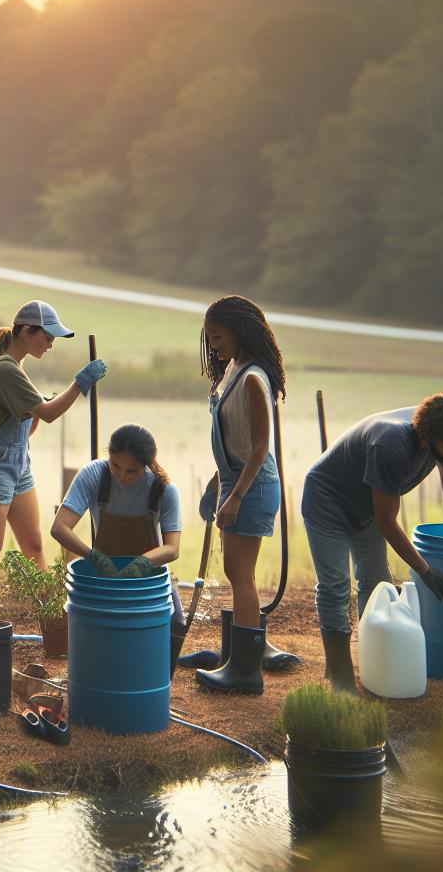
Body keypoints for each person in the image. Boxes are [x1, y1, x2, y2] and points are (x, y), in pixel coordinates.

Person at [303, 392, 443, 693]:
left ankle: (373, 660)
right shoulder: (391, 445)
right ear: (430, 434)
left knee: (377, 583)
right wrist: (425, 571)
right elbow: (387, 522)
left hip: (367, 505)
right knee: (335, 586)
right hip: (327, 500)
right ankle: (339, 674)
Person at [176, 296, 287, 694]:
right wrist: (218, 481)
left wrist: (236, 495)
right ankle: (242, 656)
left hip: (252, 485)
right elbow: (234, 438)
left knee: (241, 576)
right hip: (235, 479)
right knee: (238, 573)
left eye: (218, 336)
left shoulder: (254, 379)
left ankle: (244, 672)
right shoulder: (233, 369)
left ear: (239, 331)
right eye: (209, 337)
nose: (213, 345)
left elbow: (259, 447)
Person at [0, 300, 106, 586]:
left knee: (34, 546)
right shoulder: (4, 369)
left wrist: (35, 409)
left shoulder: (15, 367)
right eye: (47, 336)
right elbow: (48, 415)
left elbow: (26, 429)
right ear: (26, 331)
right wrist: (80, 383)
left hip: (18, 465)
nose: (51, 343)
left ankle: (45, 608)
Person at [50, 423, 183, 580]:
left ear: (146, 465)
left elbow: (172, 548)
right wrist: (95, 557)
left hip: (149, 580)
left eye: (131, 471)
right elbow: (59, 528)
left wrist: (141, 563)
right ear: (109, 455)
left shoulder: (164, 489)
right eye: (115, 465)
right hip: (104, 578)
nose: (121, 476)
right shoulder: (93, 475)